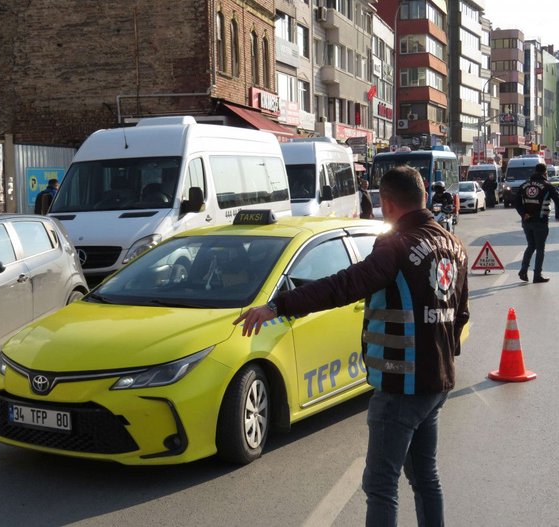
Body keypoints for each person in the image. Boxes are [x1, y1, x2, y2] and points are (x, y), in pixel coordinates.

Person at [234, 165, 469, 527]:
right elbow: (461, 314)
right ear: (422, 196)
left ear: (387, 204)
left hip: (401, 384)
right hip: (437, 381)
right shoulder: (453, 245)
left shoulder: (397, 246)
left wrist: (279, 306)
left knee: (380, 485)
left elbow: (344, 284)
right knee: (425, 478)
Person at [514, 162, 559, 283]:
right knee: (540, 249)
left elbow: (516, 202)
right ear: (545, 173)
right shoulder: (547, 186)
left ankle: (523, 270)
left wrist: (524, 214)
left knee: (531, 246)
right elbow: (557, 201)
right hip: (540, 222)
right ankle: (537, 275)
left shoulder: (524, 185)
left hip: (527, 222)